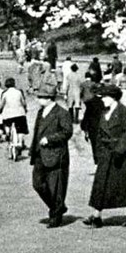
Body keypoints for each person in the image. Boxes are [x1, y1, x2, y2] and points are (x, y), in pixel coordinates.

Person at [84, 85, 126, 228]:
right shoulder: (104, 112)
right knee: (101, 184)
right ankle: (97, 216)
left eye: (105, 97)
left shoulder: (125, 112)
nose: (102, 100)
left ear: (113, 98)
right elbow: (99, 133)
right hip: (106, 153)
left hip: (123, 155)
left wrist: (119, 149)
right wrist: (98, 152)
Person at [29, 82, 74, 228]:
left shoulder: (62, 113)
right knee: (37, 184)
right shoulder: (40, 112)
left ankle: (56, 216)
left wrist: (50, 139)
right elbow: (36, 132)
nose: (38, 99)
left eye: (41, 97)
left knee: (56, 187)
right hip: (39, 154)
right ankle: (57, 206)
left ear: (49, 98)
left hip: (56, 154)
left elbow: (67, 132)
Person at [0, 77, 28, 162]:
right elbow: (23, 102)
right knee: (21, 130)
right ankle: (20, 141)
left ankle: (7, 133)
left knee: (7, 125)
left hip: (8, 115)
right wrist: (25, 109)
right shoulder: (19, 92)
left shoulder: (5, 93)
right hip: (20, 114)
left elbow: (2, 104)